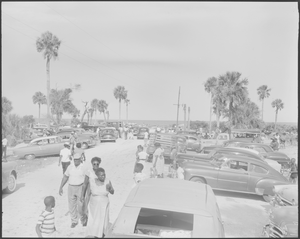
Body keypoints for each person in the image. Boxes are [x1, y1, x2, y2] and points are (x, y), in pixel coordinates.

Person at [85, 168, 114, 238]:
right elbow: (88, 194)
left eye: (104, 175)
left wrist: (110, 189)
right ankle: (95, 234)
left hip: (104, 203)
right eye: (101, 175)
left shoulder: (108, 181)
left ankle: (102, 234)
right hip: (94, 204)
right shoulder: (91, 182)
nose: (103, 176)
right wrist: (85, 206)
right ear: (97, 175)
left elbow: (112, 192)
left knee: (104, 219)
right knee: (95, 219)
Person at [59, 153, 85, 228]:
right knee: (71, 205)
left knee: (81, 205)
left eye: (78, 160)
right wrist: (61, 187)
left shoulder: (84, 167)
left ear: (81, 159)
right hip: (71, 187)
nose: (76, 161)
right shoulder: (70, 167)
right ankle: (74, 221)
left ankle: (83, 220)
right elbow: (65, 177)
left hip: (80, 187)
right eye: (75, 160)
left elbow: (87, 179)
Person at [80, 157, 102, 226]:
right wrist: (82, 195)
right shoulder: (88, 172)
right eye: (94, 164)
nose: (96, 165)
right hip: (90, 194)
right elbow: (85, 184)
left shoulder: (101, 172)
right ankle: (86, 221)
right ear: (92, 164)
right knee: (87, 207)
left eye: (97, 164)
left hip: (98, 193)